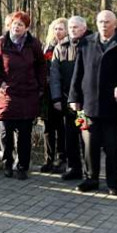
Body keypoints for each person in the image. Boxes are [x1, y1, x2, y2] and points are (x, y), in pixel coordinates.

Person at [68, 10, 117, 196]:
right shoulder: (86, 42)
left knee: (113, 147)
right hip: (87, 106)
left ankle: (113, 182)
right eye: (100, 21)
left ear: (115, 24)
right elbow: (78, 72)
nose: (103, 25)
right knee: (89, 145)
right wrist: (74, 97)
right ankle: (91, 178)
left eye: (107, 22)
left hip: (114, 106)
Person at [0, 11, 46, 180]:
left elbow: (41, 65)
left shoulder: (34, 44)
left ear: (26, 28)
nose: (17, 27)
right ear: (9, 25)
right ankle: (7, 164)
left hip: (28, 95)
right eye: (14, 24)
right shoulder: (1, 43)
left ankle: (23, 166)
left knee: (25, 135)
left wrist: (40, 86)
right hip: (6, 95)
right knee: (6, 134)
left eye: (21, 25)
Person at [50, 16, 88, 181]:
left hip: (85, 103)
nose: (73, 29)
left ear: (84, 28)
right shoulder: (61, 48)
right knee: (70, 137)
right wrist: (57, 98)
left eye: (76, 27)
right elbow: (55, 75)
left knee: (85, 137)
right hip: (68, 102)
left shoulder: (90, 45)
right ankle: (74, 168)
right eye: (71, 27)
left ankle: (89, 171)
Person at [41, 18, 68, 173]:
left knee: (63, 127)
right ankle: (48, 159)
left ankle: (63, 159)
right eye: (56, 29)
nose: (58, 32)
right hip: (47, 94)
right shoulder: (47, 48)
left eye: (61, 29)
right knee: (48, 128)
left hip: (64, 94)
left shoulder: (70, 47)